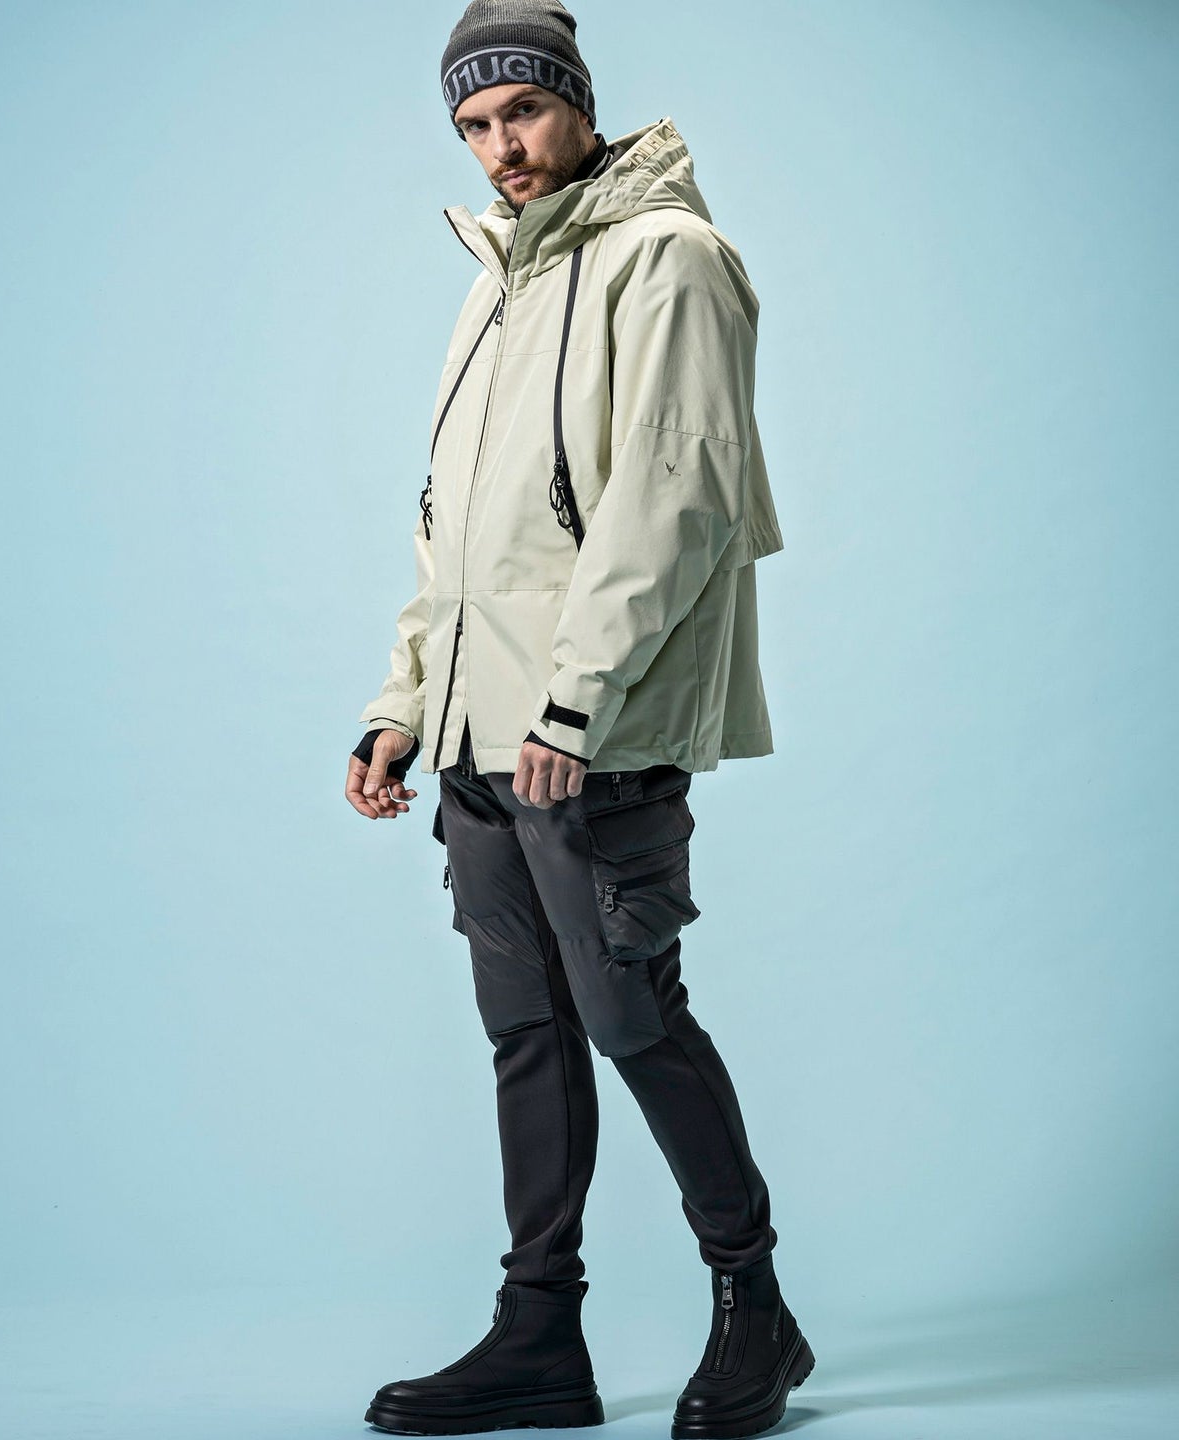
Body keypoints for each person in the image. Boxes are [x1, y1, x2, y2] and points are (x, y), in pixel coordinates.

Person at [345, 3, 815, 1435]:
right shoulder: (497, 281)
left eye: (523, 112)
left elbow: (676, 501)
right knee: (527, 1034)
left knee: (630, 1014)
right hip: (479, 739)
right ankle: (539, 1333)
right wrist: (403, 706)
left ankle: (757, 1310)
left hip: (585, 734)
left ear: (579, 101)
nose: (502, 147)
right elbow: (454, 532)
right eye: (475, 126)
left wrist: (576, 700)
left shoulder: (669, 258)